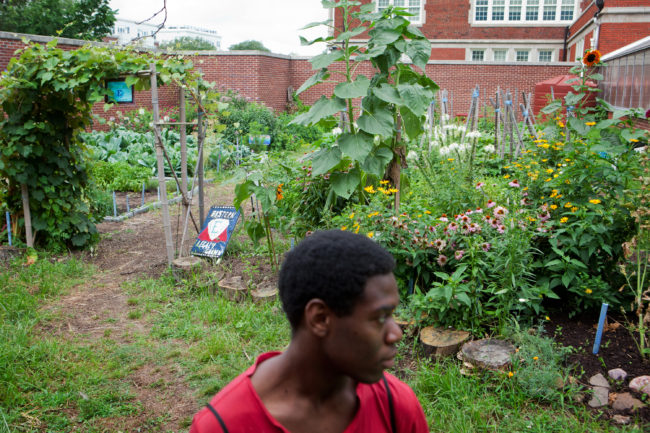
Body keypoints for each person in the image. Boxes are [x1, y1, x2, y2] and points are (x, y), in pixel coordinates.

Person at [190, 230, 429, 433]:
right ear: (320, 318)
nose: (396, 333)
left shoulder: (395, 406)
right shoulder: (223, 426)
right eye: (380, 317)